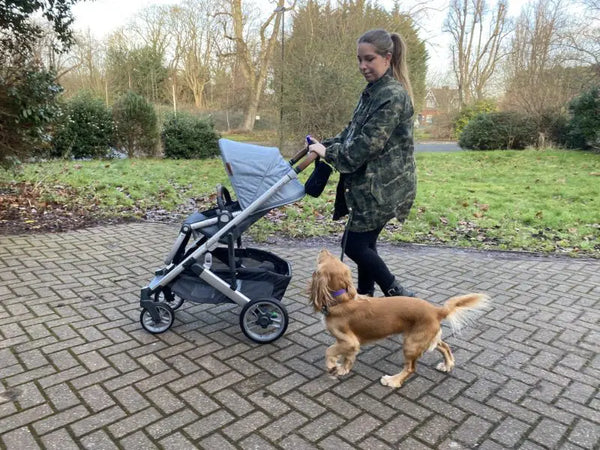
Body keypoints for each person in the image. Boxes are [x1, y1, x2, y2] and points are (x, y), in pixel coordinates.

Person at [307, 28, 417, 298]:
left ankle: (401, 298)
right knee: (366, 244)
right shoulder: (373, 91)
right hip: (371, 185)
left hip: (384, 187)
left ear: (387, 58)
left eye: (369, 59)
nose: (362, 66)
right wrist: (324, 145)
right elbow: (351, 132)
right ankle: (367, 299)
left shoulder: (391, 95)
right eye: (359, 59)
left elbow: (365, 146)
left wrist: (328, 153)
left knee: (354, 245)